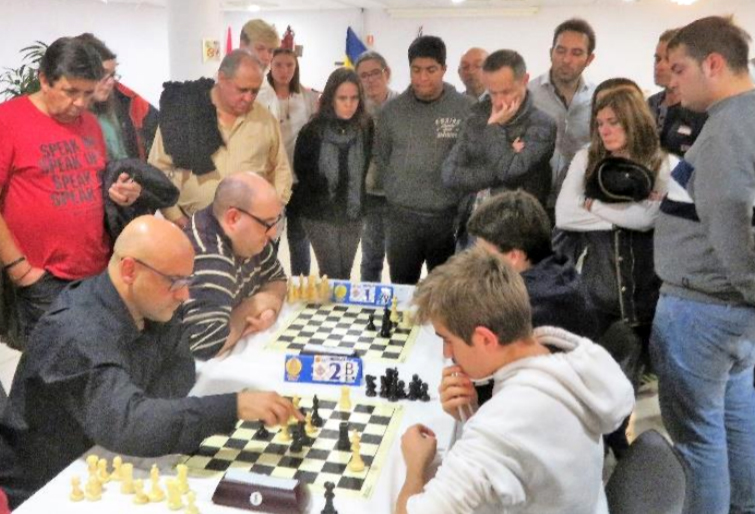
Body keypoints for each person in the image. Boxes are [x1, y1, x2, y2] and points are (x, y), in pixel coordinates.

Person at [0, 216, 301, 508]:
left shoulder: (149, 304)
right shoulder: (78, 333)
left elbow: (180, 371)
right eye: (175, 281)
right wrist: (234, 406)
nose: (184, 294)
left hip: (106, 457)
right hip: (47, 488)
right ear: (129, 270)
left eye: (188, 280)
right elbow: (131, 426)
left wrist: (146, 410)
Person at [396, 248, 634, 514]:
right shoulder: (564, 364)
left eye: (448, 340)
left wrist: (416, 467)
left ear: (485, 339)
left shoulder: (502, 430)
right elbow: (523, 451)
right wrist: (474, 415)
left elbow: (508, 434)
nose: (446, 353)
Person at [652, 17, 755, 514]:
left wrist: (750, 288)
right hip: (726, 311)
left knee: (697, 439)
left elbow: (732, 210)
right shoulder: (741, 117)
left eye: (679, 69)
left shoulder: (728, 127)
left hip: (703, 309)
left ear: (712, 64)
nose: (672, 81)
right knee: (734, 422)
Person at [0, 37, 141, 342]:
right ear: (44, 80)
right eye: (70, 92)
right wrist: (19, 269)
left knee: (98, 355)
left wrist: (119, 193)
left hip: (97, 270)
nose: (79, 103)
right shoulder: (8, 120)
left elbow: (96, 182)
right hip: (43, 278)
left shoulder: (90, 123)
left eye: (87, 94)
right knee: (53, 362)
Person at [149, 50, 292, 228]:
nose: (248, 98)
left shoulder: (264, 119)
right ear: (222, 79)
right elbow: (158, 170)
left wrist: (273, 211)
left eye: (254, 91)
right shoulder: (181, 116)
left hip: (250, 227)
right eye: (242, 90)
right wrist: (177, 219)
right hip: (192, 226)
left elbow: (280, 169)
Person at [375, 35, 473, 284]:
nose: (422, 78)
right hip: (401, 220)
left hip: (446, 220)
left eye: (431, 70)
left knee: (444, 292)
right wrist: (397, 190)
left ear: (444, 69)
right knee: (402, 289)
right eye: (416, 70)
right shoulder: (391, 111)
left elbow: (470, 160)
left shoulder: (465, 109)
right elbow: (382, 158)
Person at [442, 49, 556, 249]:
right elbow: (450, 174)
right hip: (471, 227)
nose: (499, 101)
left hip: (516, 234)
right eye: (492, 92)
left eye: (506, 92)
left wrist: (493, 128)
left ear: (525, 80)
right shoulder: (476, 116)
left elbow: (510, 171)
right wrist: (506, 153)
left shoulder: (542, 124)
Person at [181, 173, 287, 360]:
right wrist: (253, 305)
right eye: (268, 224)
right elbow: (205, 345)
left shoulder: (250, 236)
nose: (272, 234)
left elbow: (277, 278)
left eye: (275, 223)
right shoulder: (209, 256)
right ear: (233, 218)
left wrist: (270, 307)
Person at [291, 68, 373, 280]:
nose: (349, 104)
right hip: (319, 214)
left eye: (354, 98)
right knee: (332, 273)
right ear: (330, 99)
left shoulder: (365, 127)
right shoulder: (312, 131)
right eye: (342, 98)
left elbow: (365, 167)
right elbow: (302, 172)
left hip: (353, 212)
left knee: (344, 274)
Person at [257, 48, 319, 276]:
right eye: (279, 65)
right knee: (270, 235)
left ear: (296, 67)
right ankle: (269, 281)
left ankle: (301, 285)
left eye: (289, 65)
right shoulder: (260, 98)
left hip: (300, 179)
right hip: (271, 179)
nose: (284, 71)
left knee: (299, 237)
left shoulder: (308, 98)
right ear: (270, 67)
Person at [529, 18, 597, 222]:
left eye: (576, 53)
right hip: (532, 202)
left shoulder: (598, 99)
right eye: (560, 50)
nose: (566, 59)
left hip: (578, 203)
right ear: (551, 52)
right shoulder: (527, 95)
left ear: (589, 59)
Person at [75, 33, 159, 161]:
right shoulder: (63, 114)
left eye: (112, 75)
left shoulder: (127, 99)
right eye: (102, 74)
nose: (110, 82)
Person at [355, 50, 399, 283]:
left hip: (399, 194)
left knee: (399, 257)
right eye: (363, 75)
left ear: (386, 73)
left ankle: (399, 302)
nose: (370, 80)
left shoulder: (403, 105)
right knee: (371, 256)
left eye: (375, 73)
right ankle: (368, 300)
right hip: (368, 193)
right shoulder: (355, 108)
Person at [647, 29, 707, 157]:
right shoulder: (649, 105)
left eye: (668, 59)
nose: (659, 66)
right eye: (657, 59)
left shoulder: (702, 109)